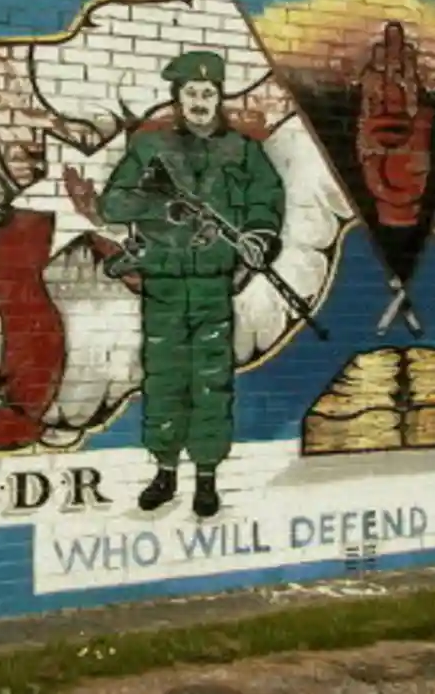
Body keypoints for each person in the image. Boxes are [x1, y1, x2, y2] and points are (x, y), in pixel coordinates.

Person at [99, 50, 285, 518]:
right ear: (177, 97)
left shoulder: (242, 150)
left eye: (208, 92)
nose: (200, 100)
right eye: (192, 92)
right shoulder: (149, 148)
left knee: (210, 382)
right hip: (163, 279)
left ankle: (206, 477)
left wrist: (259, 238)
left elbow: (266, 199)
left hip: (212, 283)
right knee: (163, 378)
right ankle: (164, 470)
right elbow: (113, 204)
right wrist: (162, 208)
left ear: (218, 97)